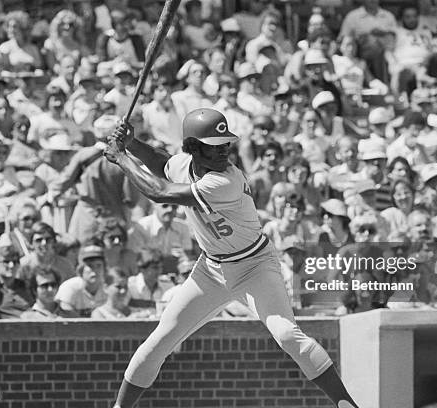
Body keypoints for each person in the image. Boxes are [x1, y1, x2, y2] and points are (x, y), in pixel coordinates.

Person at [104, 107, 359, 408]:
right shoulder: (186, 163)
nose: (224, 150)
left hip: (254, 266)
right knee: (159, 342)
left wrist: (122, 157)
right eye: (215, 145)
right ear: (191, 148)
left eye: (226, 143)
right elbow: (163, 164)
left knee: (288, 336)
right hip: (210, 270)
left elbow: (160, 192)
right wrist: (133, 144)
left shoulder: (226, 180)